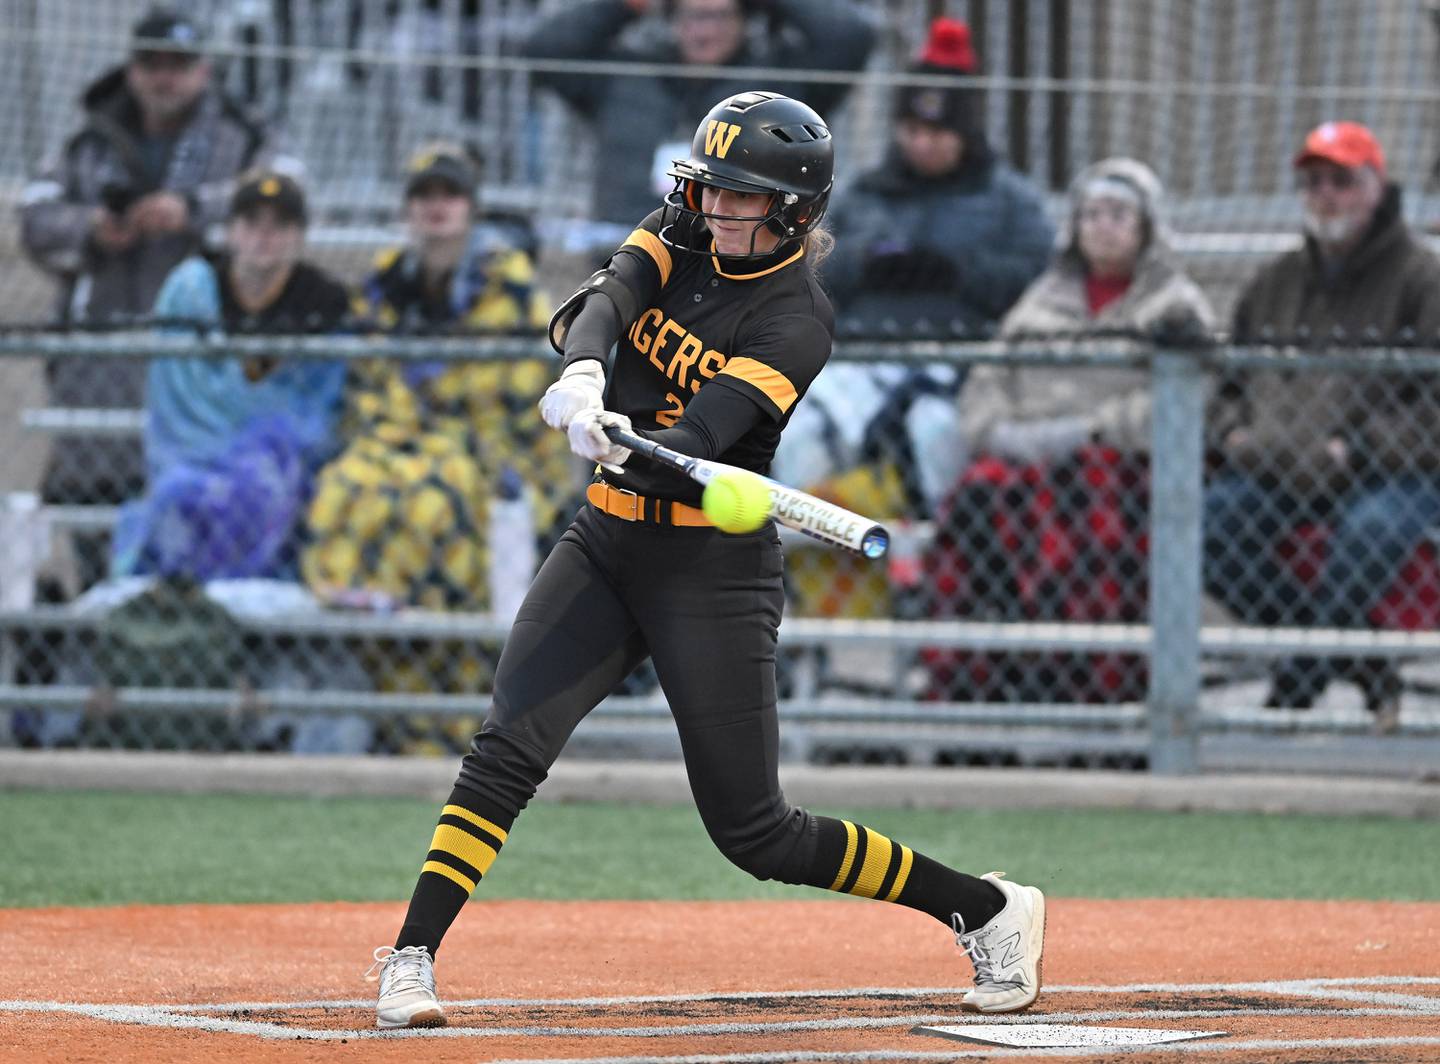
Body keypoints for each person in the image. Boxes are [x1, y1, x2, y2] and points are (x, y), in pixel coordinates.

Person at [364, 91, 1045, 1028]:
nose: (716, 208)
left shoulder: (798, 319)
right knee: (506, 747)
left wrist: (629, 443)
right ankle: (411, 959)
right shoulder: (677, 229)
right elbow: (604, 303)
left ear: (796, 209)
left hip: (710, 570)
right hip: (605, 539)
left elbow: (707, 440)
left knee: (754, 833)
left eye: (742, 197)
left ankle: (984, 906)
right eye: (710, 188)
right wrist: (586, 375)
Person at [302, 143, 569, 753]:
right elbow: (368, 384)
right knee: (349, 482)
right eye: (423, 197)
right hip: (398, 445)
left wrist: (437, 418)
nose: (436, 209)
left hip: (492, 459)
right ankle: (366, 613)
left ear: (471, 208)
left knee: (435, 495)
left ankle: (448, 717)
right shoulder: (382, 286)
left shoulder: (511, 289)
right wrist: (406, 425)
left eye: (448, 196)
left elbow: (520, 395)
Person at [922, 158, 1214, 703]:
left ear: (1147, 227)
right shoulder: (1040, 299)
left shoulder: (1175, 304)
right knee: (976, 499)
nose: (1103, 226)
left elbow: (1181, 399)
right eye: (1092, 214)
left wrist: (1088, 432)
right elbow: (987, 378)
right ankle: (969, 682)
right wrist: (1002, 435)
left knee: (1085, 505)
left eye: (1119, 215)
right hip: (1022, 459)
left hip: (1113, 465)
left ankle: (1091, 686)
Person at [19, 7, 286, 590]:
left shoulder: (241, 132)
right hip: (102, 353)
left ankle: (191, 642)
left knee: (198, 505)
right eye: (152, 63)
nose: (165, 77)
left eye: (179, 65)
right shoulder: (88, 137)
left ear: (204, 69)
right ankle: (106, 629)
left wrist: (191, 214)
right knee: (96, 502)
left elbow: (286, 200)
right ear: (132, 68)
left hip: (205, 355)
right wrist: (91, 227)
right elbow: (34, 214)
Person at [1204, 121, 1440, 732]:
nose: (1325, 195)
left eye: (1342, 181)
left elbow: (1433, 408)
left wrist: (1359, 448)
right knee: (1209, 527)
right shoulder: (1275, 281)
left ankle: (1297, 684)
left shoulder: (1423, 277)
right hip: (1279, 466)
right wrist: (1231, 434)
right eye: (1313, 182)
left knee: (1368, 534)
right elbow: (1225, 384)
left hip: (1393, 472)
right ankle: (1361, 668)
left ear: (1376, 187)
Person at [110, 170, 350, 582]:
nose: (264, 237)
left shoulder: (324, 303)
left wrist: (261, 444)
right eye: (251, 224)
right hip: (190, 458)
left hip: (284, 467)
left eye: (280, 226)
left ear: (300, 237)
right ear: (231, 232)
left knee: (261, 488)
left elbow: (316, 410)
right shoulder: (192, 292)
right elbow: (178, 399)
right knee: (180, 495)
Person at [522, 0, 876, 229]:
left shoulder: (779, 78)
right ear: (672, 19)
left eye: (720, 17)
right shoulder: (626, 75)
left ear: (744, 19)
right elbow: (544, 50)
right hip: (629, 239)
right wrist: (623, 6)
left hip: (736, 242)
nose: (705, 31)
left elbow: (851, 37)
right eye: (693, 16)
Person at [821, 17, 1053, 338]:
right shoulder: (862, 192)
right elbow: (812, 269)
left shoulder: (1011, 199)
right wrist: (865, 264)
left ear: (965, 134)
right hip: (862, 352)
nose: (922, 144)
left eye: (938, 132)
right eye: (912, 131)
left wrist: (960, 272)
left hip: (968, 358)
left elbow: (1037, 278)